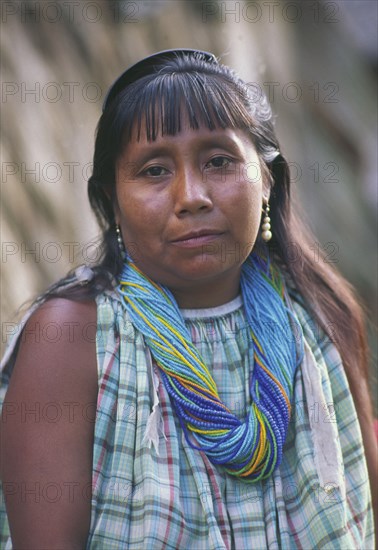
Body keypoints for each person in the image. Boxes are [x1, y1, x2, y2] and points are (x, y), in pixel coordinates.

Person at [0, 49, 376, 549]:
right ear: (112, 200)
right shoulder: (72, 339)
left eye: (219, 161)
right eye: (154, 171)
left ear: (266, 179)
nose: (191, 195)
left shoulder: (319, 316)